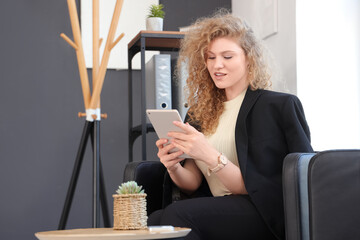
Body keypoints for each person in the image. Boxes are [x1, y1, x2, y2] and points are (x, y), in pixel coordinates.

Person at [148, 10, 313, 240]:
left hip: (262, 211)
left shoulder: (278, 106)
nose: (217, 65)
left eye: (227, 57)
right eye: (210, 57)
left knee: (178, 216)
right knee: (154, 220)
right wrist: (173, 166)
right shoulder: (199, 113)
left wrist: (208, 153)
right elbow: (192, 183)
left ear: (248, 58)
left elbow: (263, 187)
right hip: (220, 207)